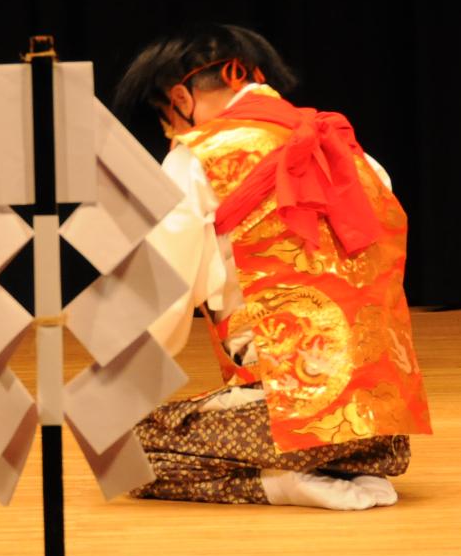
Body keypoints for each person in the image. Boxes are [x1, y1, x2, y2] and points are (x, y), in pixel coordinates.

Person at [112, 25, 433, 510]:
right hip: (382, 428)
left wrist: (113, 376)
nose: (172, 133)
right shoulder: (351, 151)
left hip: (285, 418)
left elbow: (162, 295)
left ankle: (284, 480)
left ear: (180, 96)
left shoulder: (197, 160)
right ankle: (344, 469)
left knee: (122, 451)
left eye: (166, 119)